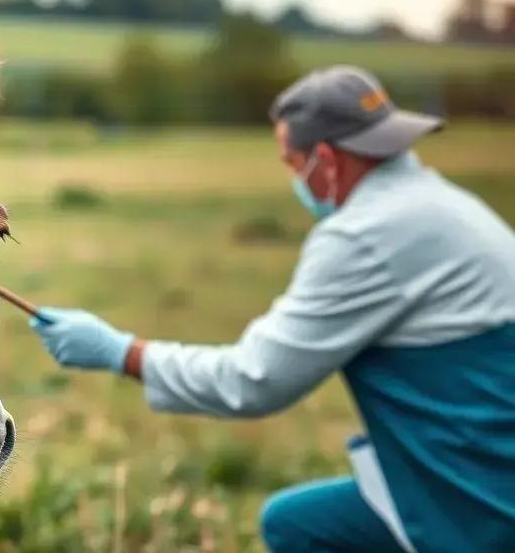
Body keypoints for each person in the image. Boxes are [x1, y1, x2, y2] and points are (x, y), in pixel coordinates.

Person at [30, 66, 515, 553]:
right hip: (483, 464)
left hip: (477, 496)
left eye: (291, 162)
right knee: (295, 522)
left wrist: (119, 352)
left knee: (298, 529)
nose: (294, 180)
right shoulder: (449, 205)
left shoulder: (365, 236)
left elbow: (253, 380)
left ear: (325, 160)